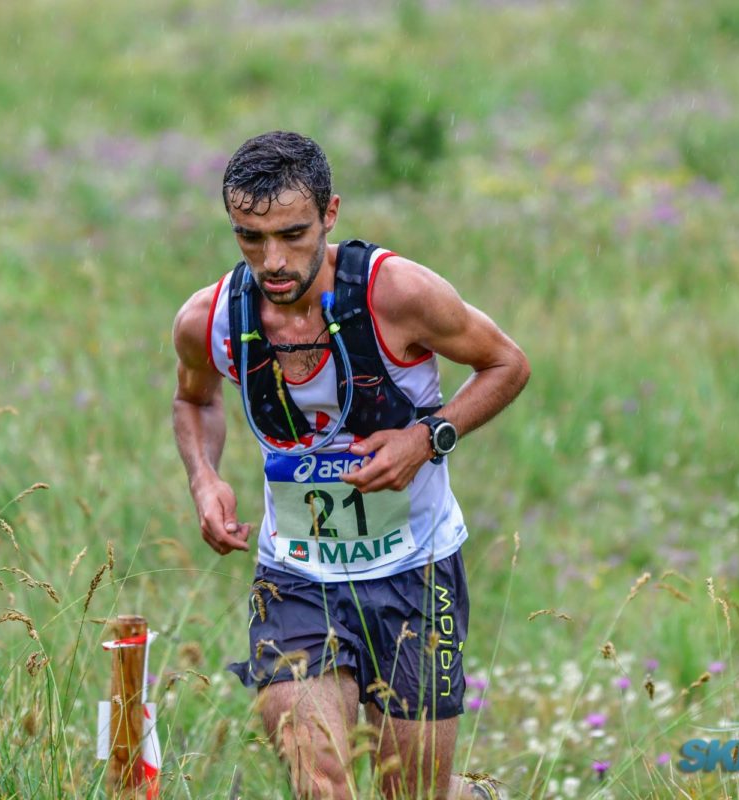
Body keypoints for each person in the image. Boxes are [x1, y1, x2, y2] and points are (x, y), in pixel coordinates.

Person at [172, 131, 530, 799]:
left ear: (330, 214)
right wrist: (205, 476)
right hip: (297, 579)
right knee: (322, 782)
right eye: (250, 238)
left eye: (293, 234)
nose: (272, 260)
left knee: (414, 793)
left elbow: (508, 364)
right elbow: (194, 401)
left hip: (415, 573)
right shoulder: (211, 317)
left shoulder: (398, 293)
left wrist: (427, 439)